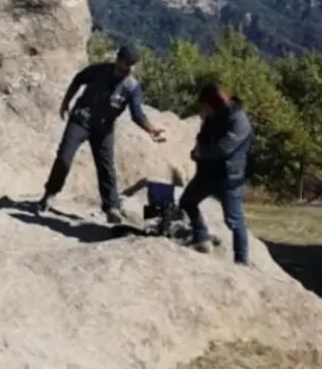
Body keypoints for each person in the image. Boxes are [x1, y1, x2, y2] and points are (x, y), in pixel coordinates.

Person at [37, 45, 166, 222]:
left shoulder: (132, 87)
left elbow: (137, 113)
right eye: (127, 63)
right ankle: (49, 194)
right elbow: (78, 79)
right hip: (81, 119)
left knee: (106, 168)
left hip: (104, 129)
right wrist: (66, 102)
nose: (129, 68)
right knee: (64, 158)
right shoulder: (99, 71)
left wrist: (150, 129)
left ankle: (111, 207)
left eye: (133, 64)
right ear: (118, 60)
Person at [179, 78, 254, 264]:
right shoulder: (213, 117)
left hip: (229, 177)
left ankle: (242, 260)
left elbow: (224, 149)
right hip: (207, 174)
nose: (203, 111)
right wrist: (198, 147)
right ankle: (201, 237)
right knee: (187, 202)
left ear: (214, 103)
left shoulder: (238, 120)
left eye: (205, 107)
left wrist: (200, 154)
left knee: (233, 221)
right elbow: (203, 135)